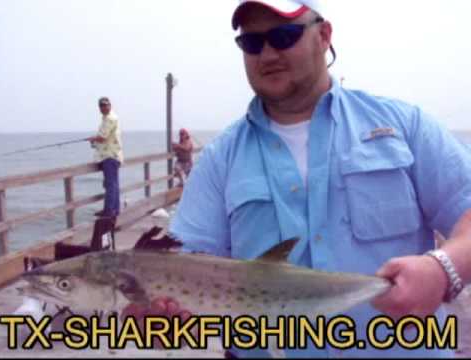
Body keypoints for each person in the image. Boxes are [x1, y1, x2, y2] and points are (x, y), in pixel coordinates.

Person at [130, 1, 471, 358]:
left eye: (284, 35)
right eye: (252, 43)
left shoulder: (403, 125)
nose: (267, 54)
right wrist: (159, 322)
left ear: (324, 35)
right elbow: (182, 268)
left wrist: (443, 268)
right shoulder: (220, 160)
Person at [88, 97, 123, 218]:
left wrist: (93, 139)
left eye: (105, 105)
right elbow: (104, 139)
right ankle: (115, 210)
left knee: (110, 185)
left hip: (110, 157)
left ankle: (108, 211)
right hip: (112, 156)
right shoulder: (108, 118)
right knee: (113, 184)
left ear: (110, 105)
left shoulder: (110, 118)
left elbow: (102, 137)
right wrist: (95, 141)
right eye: (101, 106)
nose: (103, 107)